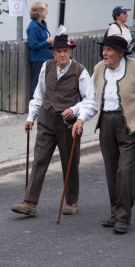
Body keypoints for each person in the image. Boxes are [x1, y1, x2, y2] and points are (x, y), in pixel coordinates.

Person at [11, 34, 91, 217]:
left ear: (70, 52)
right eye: (58, 51)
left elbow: (89, 101)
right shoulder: (46, 67)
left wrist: (75, 110)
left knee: (68, 163)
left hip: (68, 125)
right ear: (53, 53)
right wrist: (31, 117)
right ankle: (30, 202)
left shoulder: (80, 71)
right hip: (46, 120)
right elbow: (39, 93)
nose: (62, 54)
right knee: (39, 160)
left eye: (65, 51)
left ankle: (71, 201)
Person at [72, 36, 135, 234]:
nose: (104, 53)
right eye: (104, 50)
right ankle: (115, 211)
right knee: (111, 170)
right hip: (106, 123)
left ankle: (123, 216)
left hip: (129, 126)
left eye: (108, 50)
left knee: (124, 171)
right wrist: (81, 119)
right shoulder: (99, 69)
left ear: (120, 53)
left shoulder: (134, 68)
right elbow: (91, 100)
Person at [26, 2, 54, 100]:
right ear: (39, 12)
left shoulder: (42, 24)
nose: (47, 12)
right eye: (45, 10)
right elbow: (33, 45)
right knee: (37, 81)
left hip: (47, 57)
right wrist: (47, 41)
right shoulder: (33, 27)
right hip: (38, 59)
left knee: (46, 81)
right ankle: (34, 104)